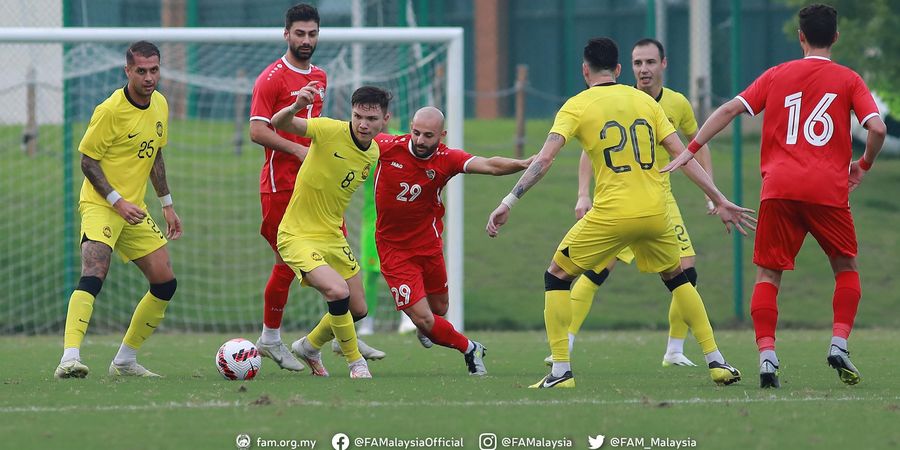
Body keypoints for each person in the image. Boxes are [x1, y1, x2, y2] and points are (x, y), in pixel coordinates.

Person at [487, 37, 754, 388]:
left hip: (612, 214)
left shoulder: (576, 105)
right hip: (656, 212)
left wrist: (508, 201)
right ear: (617, 69)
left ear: (585, 71)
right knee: (677, 278)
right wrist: (718, 198)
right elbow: (683, 155)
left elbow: (545, 159)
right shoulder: (647, 102)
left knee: (557, 276)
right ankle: (717, 361)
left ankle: (560, 371)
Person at [664, 4, 886, 388]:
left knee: (769, 273)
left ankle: (767, 357)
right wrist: (862, 165)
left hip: (779, 188)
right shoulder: (848, 79)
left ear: (800, 36)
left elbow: (731, 109)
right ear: (836, 36)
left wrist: (691, 146)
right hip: (827, 191)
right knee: (846, 268)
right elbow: (878, 128)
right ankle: (838, 343)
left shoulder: (776, 75)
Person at [548, 38, 716, 368]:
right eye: (638, 63)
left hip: (659, 198)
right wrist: (584, 193)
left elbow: (694, 147)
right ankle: (565, 340)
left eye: (650, 62)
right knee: (597, 271)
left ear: (663, 64)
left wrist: (713, 194)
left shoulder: (676, 104)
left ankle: (675, 349)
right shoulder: (623, 100)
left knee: (686, 270)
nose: (644, 69)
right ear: (627, 67)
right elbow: (588, 149)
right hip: (622, 201)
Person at [249, 3, 384, 371]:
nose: (306, 40)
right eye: (300, 33)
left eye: (312, 34)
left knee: (342, 274)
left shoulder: (320, 76)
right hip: (281, 184)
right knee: (285, 262)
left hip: (319, 189)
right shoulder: (271, 78)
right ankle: (271, 338)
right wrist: (297, 149)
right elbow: (257, 130)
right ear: (286, 34)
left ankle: (330, 337)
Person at [54, 41, 182, 379]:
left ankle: (125, 360)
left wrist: (167, 204)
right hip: (102, 203)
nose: (149, 77)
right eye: (141, 71)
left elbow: (155, 154)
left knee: (165, 282)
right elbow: (87, 161)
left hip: (134, 208)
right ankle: (69, 358)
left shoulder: (161, 105)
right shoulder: (110, 110)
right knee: (94, 272)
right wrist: (116, 201)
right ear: (127, 71)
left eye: (154, 70)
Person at [374, 107, 533, 375]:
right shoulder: (386, 146)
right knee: (425, 319)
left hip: (428, 244)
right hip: (393, 248)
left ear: (442, 135)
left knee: (439, 309)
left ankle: (431, 328)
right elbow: (346, 142)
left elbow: (490, 165)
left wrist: (522, 164)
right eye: (416, 133)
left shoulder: (446, 159)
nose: (421, 140)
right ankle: (470, 348)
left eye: (428, 135)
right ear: (409, 128)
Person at [270, 83, 392, 378]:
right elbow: (277, 124)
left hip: (332, 236)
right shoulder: (327, 129)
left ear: (385, 120)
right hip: (297, 234)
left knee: (358, 308)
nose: (363, 124)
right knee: (337, 292)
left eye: (372, 119)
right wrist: (297, 105)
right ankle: (355, 363)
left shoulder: (373, 152)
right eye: (358, 116)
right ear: (351, 113)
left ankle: (309, 346)